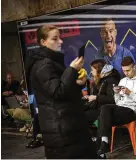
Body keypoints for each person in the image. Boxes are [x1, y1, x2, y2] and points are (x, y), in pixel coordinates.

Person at [23, 25, 98, 159]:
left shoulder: (51, 62)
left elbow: (63, 89)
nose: (61, 41)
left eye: (60, 38)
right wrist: (72, 69)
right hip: (62, 133)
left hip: (69, 128)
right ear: (43, 42)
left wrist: (78, 84)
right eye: (55, 39)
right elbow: (58, 92)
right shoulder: (43, 65)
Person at [97, 56, 136, 156]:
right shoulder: (123, 81)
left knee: (104, 116)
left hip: (133, 111)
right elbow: (118, 102)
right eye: (124, 71)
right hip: (121, 109)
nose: (126, 73)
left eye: (128, 70)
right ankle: (104, 142)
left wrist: (130, 93)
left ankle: (102, 143)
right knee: (104, 109)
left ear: (134, 67)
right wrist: (116, 93)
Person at [84, 59, 120, 125]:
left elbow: (113, 99)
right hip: (96, 107)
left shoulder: (111, 80)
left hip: (104, 111)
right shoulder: (99, 79)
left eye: (92, 70)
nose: (91, 72)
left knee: (82, 116)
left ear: (98, 70)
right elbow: (97, 93)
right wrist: (89, 97)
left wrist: (96, 97)